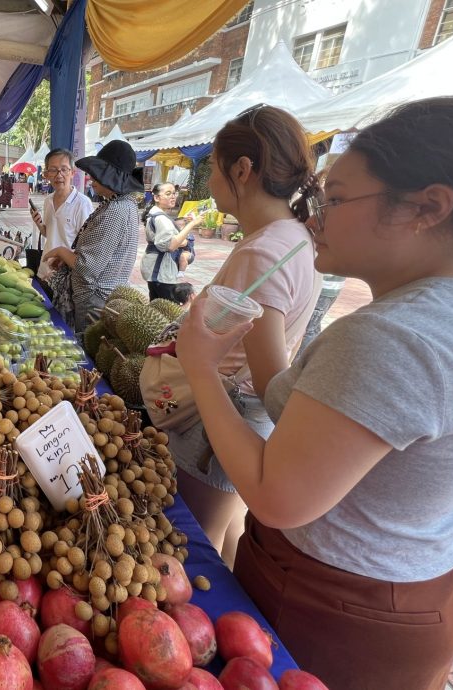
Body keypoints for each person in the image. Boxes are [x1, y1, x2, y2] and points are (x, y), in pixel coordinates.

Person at [174, 96, 453, 690]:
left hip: (341, 600)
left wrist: (200, 367)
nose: (316, 215)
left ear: (427, 207)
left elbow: (276, 497)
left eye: (339, 198)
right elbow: (306, 410)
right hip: (426, 577)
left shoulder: (394, 337)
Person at [165, 105, 320, 566]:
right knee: (226, 541)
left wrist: (199, 356)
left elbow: (272, 379)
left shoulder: (261, 253)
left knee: (195, 554)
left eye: (212, 167)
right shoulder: (295, 237)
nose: (209, 181)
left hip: (223, 424)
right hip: (242, 423)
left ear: (242, 170)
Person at [43, 140, 142, 336]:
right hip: (102, 298)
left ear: (111, 178)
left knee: (90, 349)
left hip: (96, 302)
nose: (91, 179)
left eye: (97, 174)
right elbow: (98, 253)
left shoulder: (115, 211)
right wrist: (66, 258)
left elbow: (87, 267)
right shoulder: (124, 205)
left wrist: (61, 251)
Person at [29, 148, 94, 296]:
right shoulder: (48, 200)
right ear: (46, 174)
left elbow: (85, 246)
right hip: (44, 271)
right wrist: (39, 224)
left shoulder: (82, 204)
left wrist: (63, 261)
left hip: (65, 278)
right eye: (53, 170)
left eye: (64, 169)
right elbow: (49, 233)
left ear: (72, 172)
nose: (59, 175)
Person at [140, 182, 202, 300]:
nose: (173, 196)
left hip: (155, 268)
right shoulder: (161, 219)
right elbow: (171, 245)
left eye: (174, 193)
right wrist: (193, 224)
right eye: (168, 194)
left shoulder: (156, 215)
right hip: (161, 271)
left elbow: (175, 239)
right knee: (166, 310)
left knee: (156, 307)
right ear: (157, 197)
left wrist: (187, 225)